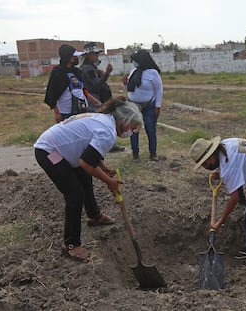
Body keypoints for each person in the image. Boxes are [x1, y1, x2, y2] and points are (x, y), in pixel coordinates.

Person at [34, 100, 144, 263]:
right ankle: (71, 246)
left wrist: (104, 168)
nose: (132, 132)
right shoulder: (108, 132)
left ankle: (94, 216)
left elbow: (89, 151)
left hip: (61, 149)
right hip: (50, 152)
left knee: (85, 179)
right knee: (75, 195)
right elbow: (86, 163)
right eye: (132, 127)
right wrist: (109, 181)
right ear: (124, 121)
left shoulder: (104, 120)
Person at [189, 136, 246, 258]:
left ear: (211, 155)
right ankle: (245, 203)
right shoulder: (226, 145)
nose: (206, 168)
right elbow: (237, 162)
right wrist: (220, 171)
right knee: (239, 191)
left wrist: (219, 222)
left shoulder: (228, 165)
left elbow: (235, 198)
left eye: (206, 164)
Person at [80, 42, 125, 153]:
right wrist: (107, 74)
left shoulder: (90, 68)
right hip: (94, 100)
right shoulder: (88, 69)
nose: (97, 57)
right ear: (89, 55)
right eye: (95, 54)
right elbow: (96, 85)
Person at [122, 50, 163, 161]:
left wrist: (157, 106)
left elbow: (159, 90)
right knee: (133, 131)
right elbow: (131, 89)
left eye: (135, 60)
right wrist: (125, 83)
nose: (133, 62)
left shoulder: (152, 73)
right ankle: (135, 154)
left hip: (148, 106)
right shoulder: (134, 71)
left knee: (150, 129)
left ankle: (153, 153)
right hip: (133, 106)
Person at [44, 44, 88, 123]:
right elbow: (52, 93)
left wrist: (93, 100)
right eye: (74, 56)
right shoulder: (58, 72)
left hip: (81, 109)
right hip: (65, 112)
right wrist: (57, 112)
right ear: (68, 57)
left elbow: (82, 89)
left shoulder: (77, 72)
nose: (77, 58)